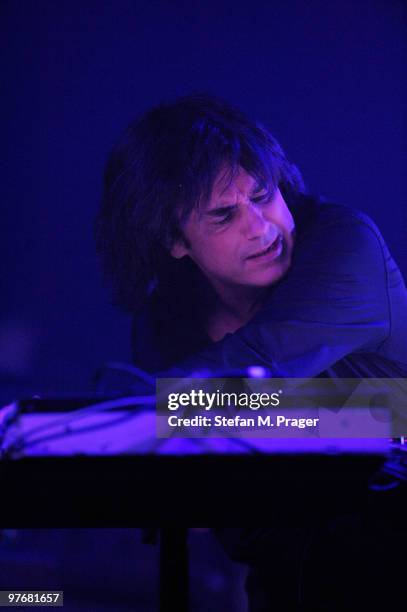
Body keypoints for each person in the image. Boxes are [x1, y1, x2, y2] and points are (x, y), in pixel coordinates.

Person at [96, 94, 407, 609]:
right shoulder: (165, 322)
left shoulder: (344, 242)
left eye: (263, 196)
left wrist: (148, 410)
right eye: (222, 216)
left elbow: (265, 370)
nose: (261, 228)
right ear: (175, 240)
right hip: (285, 581)